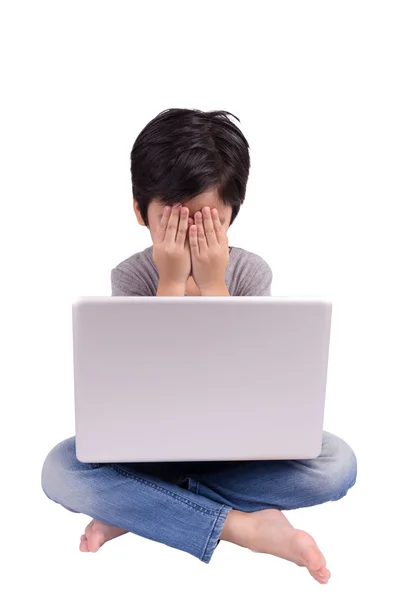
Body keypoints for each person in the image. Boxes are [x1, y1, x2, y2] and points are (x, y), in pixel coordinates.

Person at [41, 108, 357, 584]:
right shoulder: (132, 277)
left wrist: (214, 289)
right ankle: (243, 526)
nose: (190, 239)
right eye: (174, 223)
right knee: (59, 470)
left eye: (209, 223)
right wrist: (169, 283)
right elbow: (140, 390)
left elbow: (253, 383)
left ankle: (140, 506)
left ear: (233, 214)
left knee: (337, 465)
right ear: (138, 211)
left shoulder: (251, 273)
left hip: (242, 451)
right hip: (146, 449)